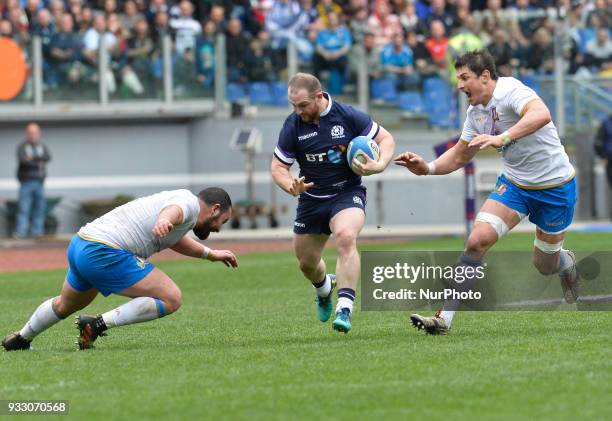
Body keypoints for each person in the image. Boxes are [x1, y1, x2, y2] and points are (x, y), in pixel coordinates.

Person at [394, 51, 579, 335]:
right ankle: (444, 319)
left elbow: (541, 114)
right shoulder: (475, 112)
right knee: (477, 241)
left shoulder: (510, 90)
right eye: (458, 79)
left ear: (485, 77)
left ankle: (566, 261)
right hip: (515, 186)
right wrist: (427, 167)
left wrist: (502, 137)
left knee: (545, 265)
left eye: (464, 78)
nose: (459, 85)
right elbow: (459, 155)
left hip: (555, 188)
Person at [2, 188, 238, 351]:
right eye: (222, 221)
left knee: (65, 304)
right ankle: (96, 324)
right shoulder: (187, 204)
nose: (218, 228)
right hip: (103, 251)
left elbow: (175, 239)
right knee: (171, 297)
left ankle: (21, 338)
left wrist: (210, 254)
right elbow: (173, 211)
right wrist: (163, 220)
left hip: (82, 244)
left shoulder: (184, 209)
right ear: (215, 208)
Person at [270, 73, 395, 333]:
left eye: (302, 105)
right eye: (293, 106)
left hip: (346, 194)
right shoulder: (293, 125)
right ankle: (325, 288)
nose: (298, 111)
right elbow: (278, 167)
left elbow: (386, 138)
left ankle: (345, 308)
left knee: (346, 236)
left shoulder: (347, 115)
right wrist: (290, 185)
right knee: (307, 263)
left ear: (319, 96)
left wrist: (380, 164)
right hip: (311, 200)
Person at [15, 123, 51, 239]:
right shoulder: (23, 147)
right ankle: (21, 232)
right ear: (27, 134)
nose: (33, 135)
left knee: (39, 208)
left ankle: (37, 232)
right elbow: (24, 161)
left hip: (39, 182)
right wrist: (38, 161)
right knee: (23, 208)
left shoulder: (42, 146)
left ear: (39, 134)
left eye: (35, 133)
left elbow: (48, 157)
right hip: (26, 181)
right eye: (30, 133)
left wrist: (33, 159)